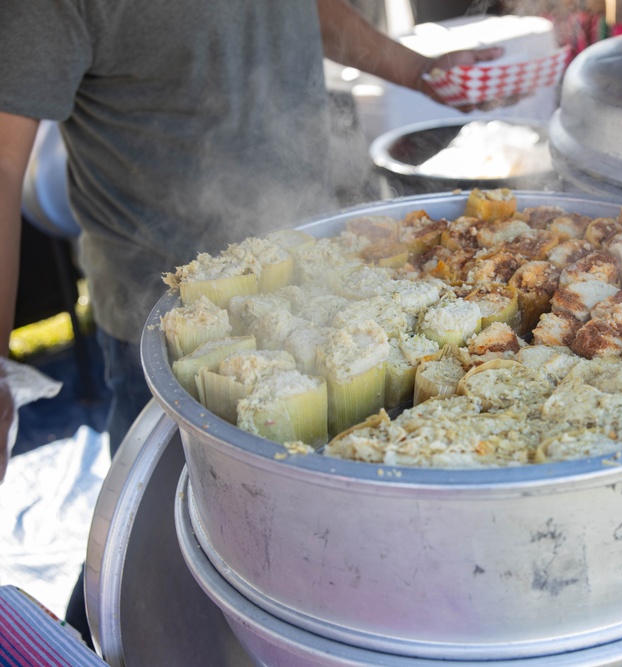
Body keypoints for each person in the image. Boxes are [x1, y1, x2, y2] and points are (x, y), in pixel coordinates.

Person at [0, 0, 506, 645]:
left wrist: (419, 72)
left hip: (323, 279)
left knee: (334, 536)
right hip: (175, 331)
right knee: (157, 533)